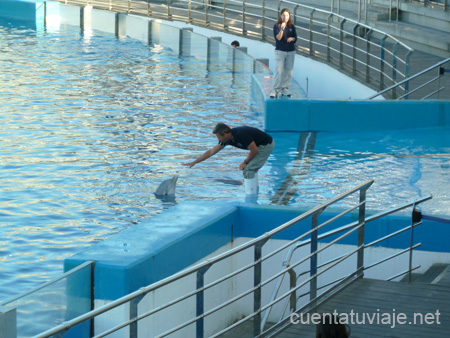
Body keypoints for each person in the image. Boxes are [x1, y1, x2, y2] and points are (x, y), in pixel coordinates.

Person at [182, 123, 274, 181]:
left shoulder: (241, 134)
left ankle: (250, 196)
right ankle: (252, 189)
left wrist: (245, 162)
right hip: (259, 146)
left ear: (226, 134)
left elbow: (254, 150)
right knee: (251, 169)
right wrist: (195, 162)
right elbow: (211, 151)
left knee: (248, 169)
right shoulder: (227, 139)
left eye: (219, 137)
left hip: (266, 145)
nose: (219, 139)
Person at [270, 8, 297, 99]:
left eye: (287, 15)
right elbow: (278, 38)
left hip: (290, 51)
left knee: (288, 71)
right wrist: (282, 28)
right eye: (283, 15)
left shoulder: (291, 27)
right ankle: (275, 89)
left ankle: (284, 88)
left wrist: (292, 39)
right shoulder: (276, 26)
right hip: (280, 51)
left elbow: (295, 37)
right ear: (281, 16)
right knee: (279, 70)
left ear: (289, 16)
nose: (285, 17)